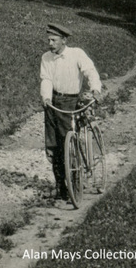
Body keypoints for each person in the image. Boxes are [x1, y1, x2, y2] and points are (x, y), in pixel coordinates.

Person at [40, 23, 102, 201]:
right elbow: (46, 79)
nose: (50, 43)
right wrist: (46, 98)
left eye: (54, 40)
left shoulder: (76, 54)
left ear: (64, 40)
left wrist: (96, 89)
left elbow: (90, 71)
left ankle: (75, 182)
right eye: (49, 40)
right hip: (53, 101)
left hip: (71, 101)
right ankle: (61, 186)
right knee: (54, 145)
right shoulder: (46, 58)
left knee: (69, 140)